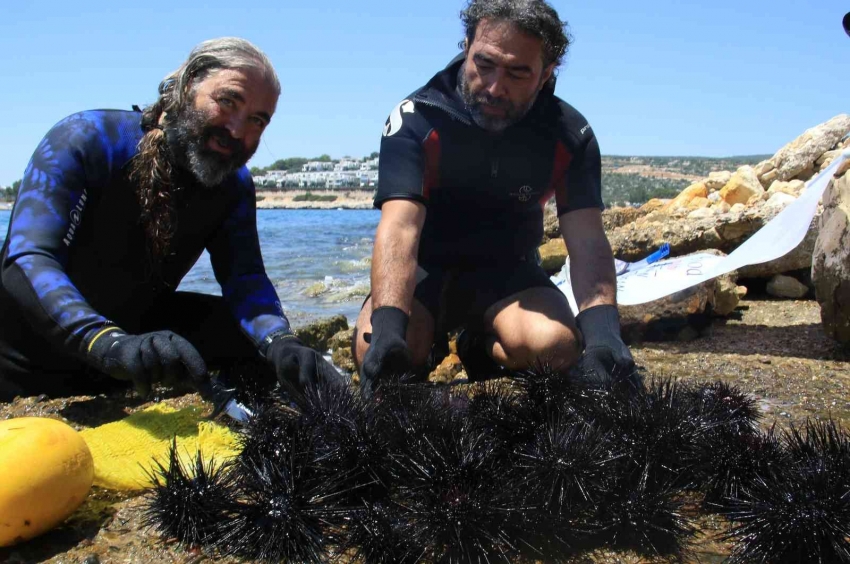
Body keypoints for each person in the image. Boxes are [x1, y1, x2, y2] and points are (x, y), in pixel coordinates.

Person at [0, 37, 341, 401]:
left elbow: (245, 279)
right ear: (189, 83)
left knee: (246, 339)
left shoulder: (233, 186)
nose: (238, 130)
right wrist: (106, 341)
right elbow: (28, 260)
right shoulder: (86, 139)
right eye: (228, 101)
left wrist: (281, 343)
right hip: (26, 360)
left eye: (258, 120)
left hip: (132, 346)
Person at [354, 0, 637, 394]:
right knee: (373, 346)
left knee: (556, 347)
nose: (494, 87)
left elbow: (587, 240)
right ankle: (428, 340)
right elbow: (399, 229)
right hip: (426, 270)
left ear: (547, 73)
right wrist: (387, 329)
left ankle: (478, 345)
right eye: (483, 64)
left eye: (518, 73)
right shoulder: (418, 118)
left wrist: (606, 335)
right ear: (467, 44)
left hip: (508, 272)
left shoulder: (570, 134)